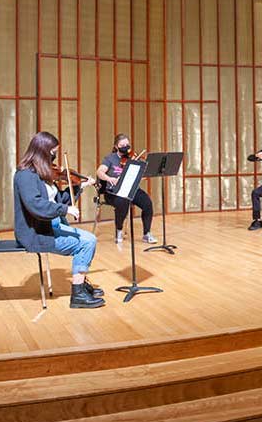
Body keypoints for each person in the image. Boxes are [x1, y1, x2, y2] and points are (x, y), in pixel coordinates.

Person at [14, 131, 104, 309]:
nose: (54, 155)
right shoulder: (25, 175)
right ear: (43, 151)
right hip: (37, 232)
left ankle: (80, 285)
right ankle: (78, 294)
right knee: (87, 242)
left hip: (50, 226)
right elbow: (36, 205)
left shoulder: (42, 173)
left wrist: (80, 187)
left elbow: (58, 200)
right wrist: (66, 209)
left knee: (88, 240)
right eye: (53, 151)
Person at [96, 133, 156, 245]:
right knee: (122, 202)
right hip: (113, 191)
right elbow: (99, 172)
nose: (125, 147)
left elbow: (140, 175)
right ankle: (119, 230)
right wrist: (110, 179)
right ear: (116, 146)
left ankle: (147, 233)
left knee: (147, 203)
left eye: (127, 144)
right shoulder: (110, 158)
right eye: (122, 144)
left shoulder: (133, 158)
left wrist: (142, 176)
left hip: (130, 189)